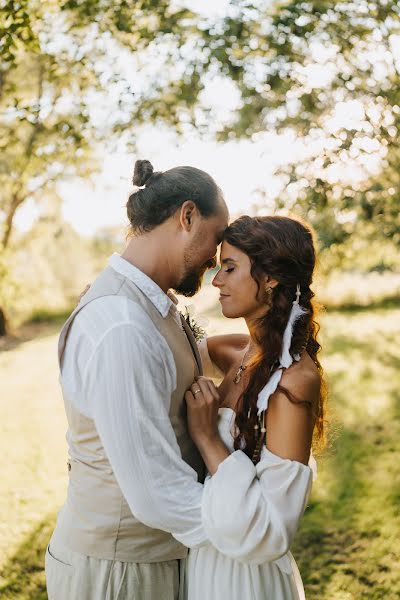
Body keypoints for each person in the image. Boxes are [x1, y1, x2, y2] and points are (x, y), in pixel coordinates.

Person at [45, 159, 229, 600]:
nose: (216, 257)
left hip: (147, 562)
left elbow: (173, 371)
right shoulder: (121, 325)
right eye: (218, 237)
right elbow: (155, 492)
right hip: (120, 574)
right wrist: (249, 523)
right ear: (187, 216)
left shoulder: (150, 303)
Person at [184, 215, 327, 600]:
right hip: (204, 559)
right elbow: (160, 353)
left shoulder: (293, 381)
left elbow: (272, 530)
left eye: (229, 268)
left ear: (271, 278)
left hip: (245, 579)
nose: (216, 281)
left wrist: (205, 437)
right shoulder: (235, 351)